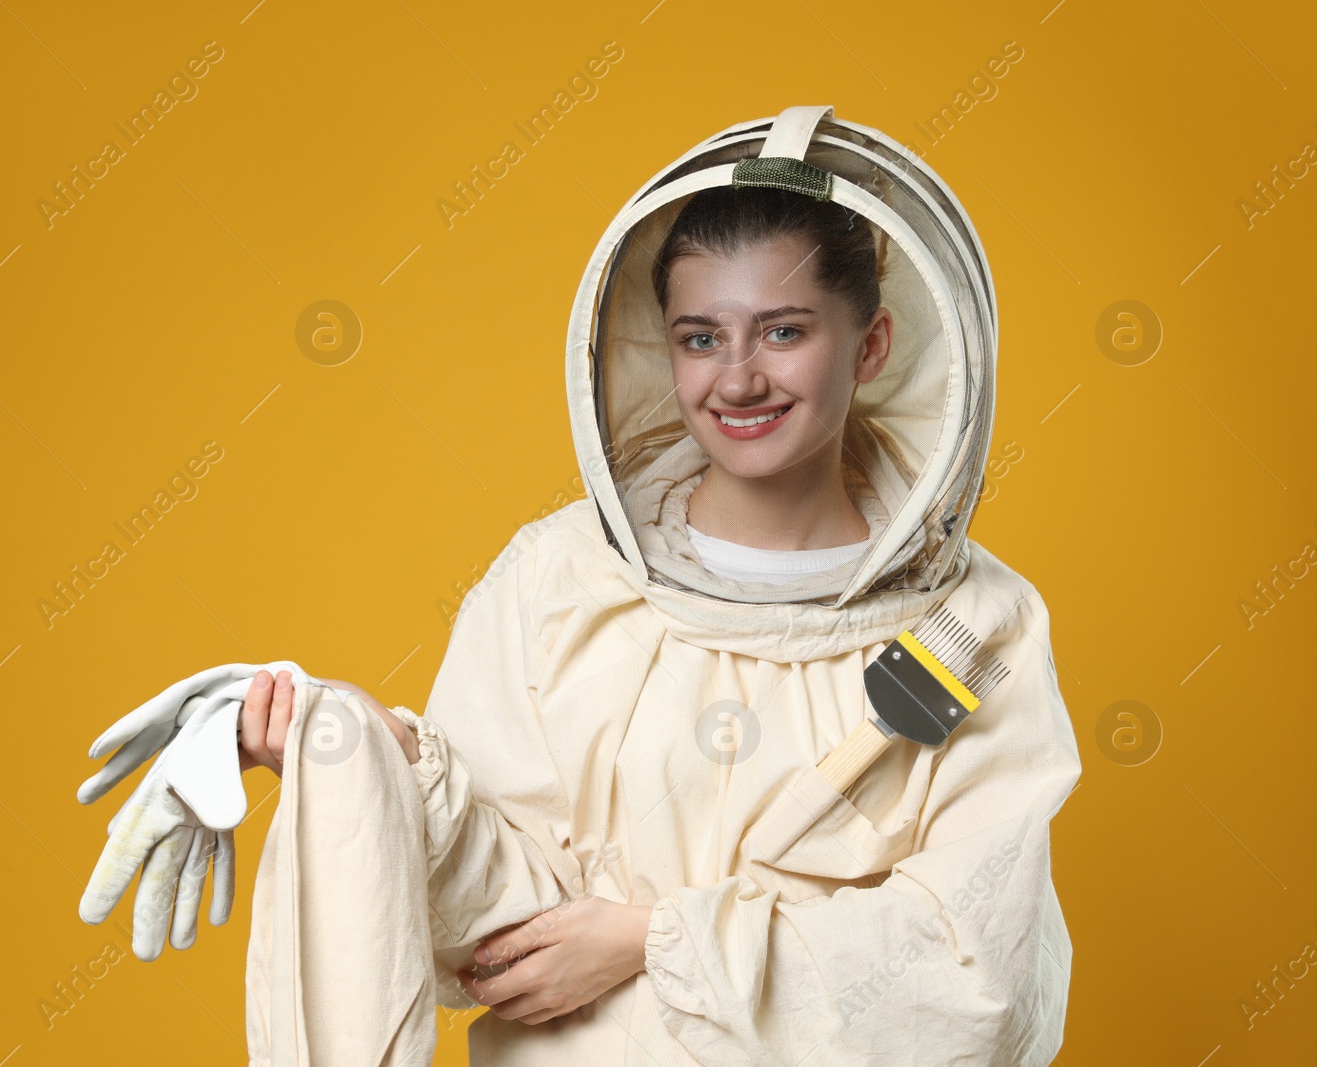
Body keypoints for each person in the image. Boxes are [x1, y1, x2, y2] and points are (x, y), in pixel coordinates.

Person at [237, 105, 1081, 1065]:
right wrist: (385, 768)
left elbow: (976, 980)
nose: (738, 379)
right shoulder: (557, 580)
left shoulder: (978, 625)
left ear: (873, 344)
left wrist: (648, 941)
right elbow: (489, 931)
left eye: (784, 330)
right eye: (699, 337)